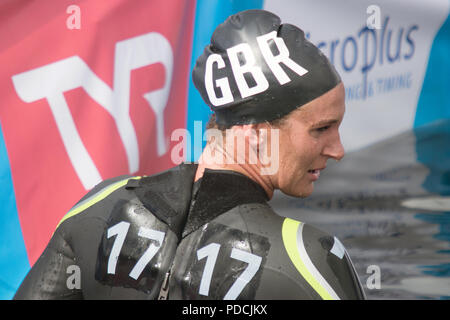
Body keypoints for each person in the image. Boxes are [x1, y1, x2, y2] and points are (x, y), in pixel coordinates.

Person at [14, 9, 365, 300]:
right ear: (258, 135)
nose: (338, 150)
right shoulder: (307, 260)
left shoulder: (99, 207)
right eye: (321, 129)